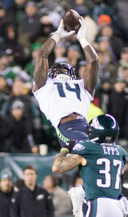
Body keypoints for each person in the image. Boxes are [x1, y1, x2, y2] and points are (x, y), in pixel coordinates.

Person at [32, 14, 98, 171]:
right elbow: (42, 55)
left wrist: (82, 38)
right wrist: (58, 34)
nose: (63, 71)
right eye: (59, 68)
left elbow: (93, 61)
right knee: (90, 156)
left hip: (86, 125)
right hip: (66, 127)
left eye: (66, 69)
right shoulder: (44, 85)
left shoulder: (80, 84)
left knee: (103, 158)